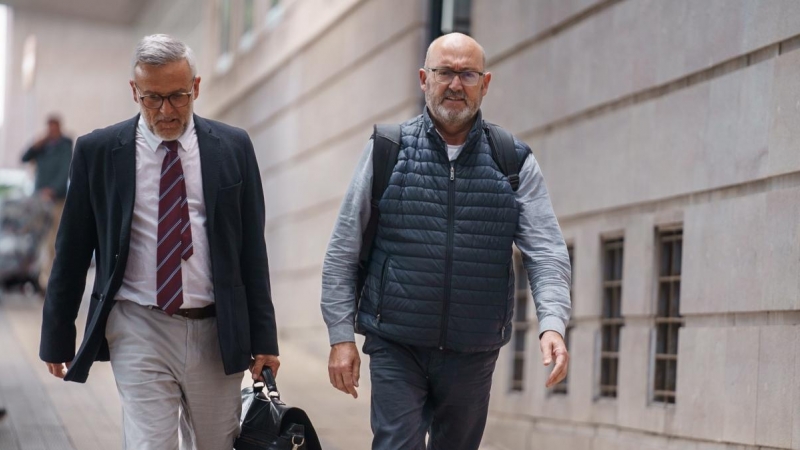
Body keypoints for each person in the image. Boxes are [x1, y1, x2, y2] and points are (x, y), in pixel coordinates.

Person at [321, 32, 572, 450]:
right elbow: (342, 250)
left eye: (467, 74)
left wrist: (553, 323)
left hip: (473, 350)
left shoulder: (513, 160)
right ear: (424, 78)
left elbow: (546, 251)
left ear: (485, 83)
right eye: (445, 72)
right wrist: (340, 335)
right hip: (396, 342)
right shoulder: (388, 149)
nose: (456, 84)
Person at [39, 34, 279, 450]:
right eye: (152, 98)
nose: (166, 111)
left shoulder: (233, 147)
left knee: (217, 443)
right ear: (134, 91)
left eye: (178, 97)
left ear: (197, 88)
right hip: (138, 324)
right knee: (152, 443)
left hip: (215, 328)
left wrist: (264, 340)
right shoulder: (98, 152)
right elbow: (72, 251)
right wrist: (57, 336)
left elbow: (251, 251)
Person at [21, 115, 73, 291]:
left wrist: (53, 190)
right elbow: (24, 158)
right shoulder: (43, 147)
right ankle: (37, 276)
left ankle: (50, 278)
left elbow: (65, 170)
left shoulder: (65, 147)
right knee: (37, 239)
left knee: (52, 240)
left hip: (56, 200)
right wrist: (37, 144)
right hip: (39, 200)